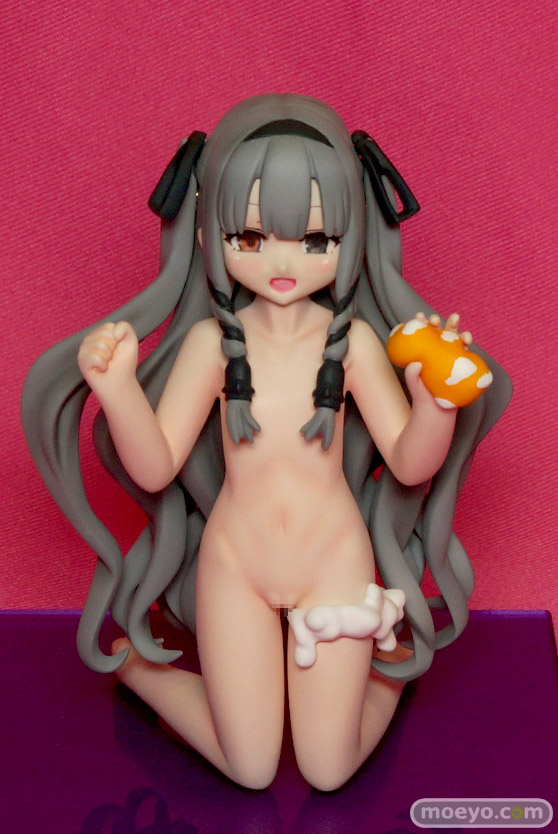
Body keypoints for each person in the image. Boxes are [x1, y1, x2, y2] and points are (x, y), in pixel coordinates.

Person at [21, 94, 511, 790]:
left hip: (332, 561)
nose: (283, 260)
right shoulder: (210, 345)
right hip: (236, 564)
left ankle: (388, 675)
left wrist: (434, 404)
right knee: (249, 768)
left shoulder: (356, 344)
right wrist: (119, 388)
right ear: (208, 235)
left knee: (327, 769)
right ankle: (137, 670)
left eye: (314, 240)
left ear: (351, 236)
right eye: (250, 237)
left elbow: (409, 463)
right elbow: (156, 469)